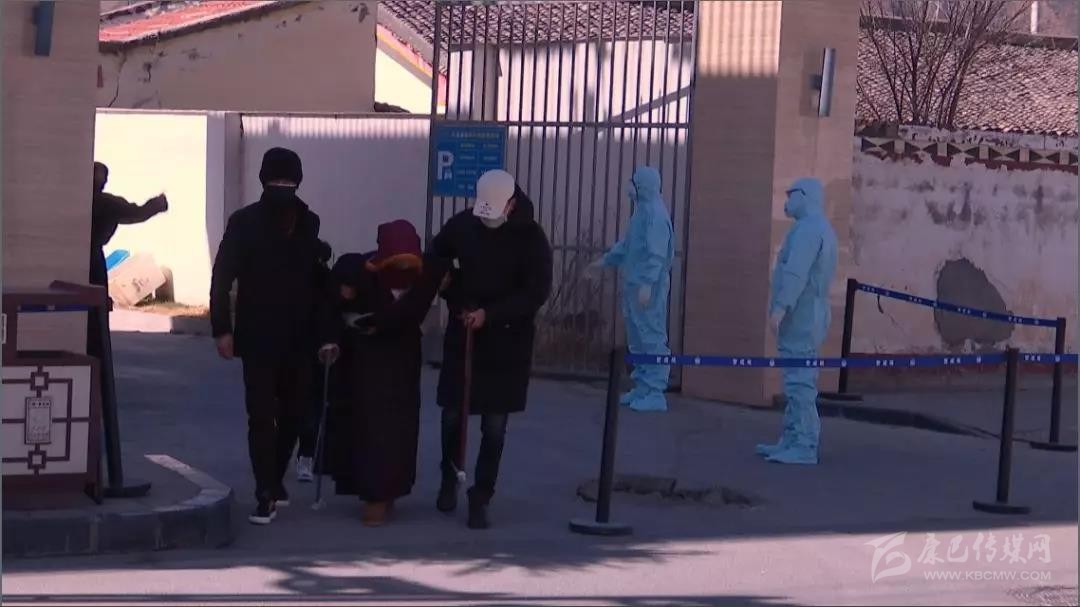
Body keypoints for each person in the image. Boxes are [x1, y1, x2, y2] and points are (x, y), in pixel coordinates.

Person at [209, 147, 339, 525]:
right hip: (258, 336)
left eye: (289, 181)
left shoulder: (308, 222)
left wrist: (327, 335)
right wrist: (222, 328)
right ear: (263, 181)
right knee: (262, 416)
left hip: (300, 337)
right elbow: (222, 276)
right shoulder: (243, 222)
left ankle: (274, 476)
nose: (282, 187)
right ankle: (264, 491)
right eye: (276, 181)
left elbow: (318, 284)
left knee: (296, 415)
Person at [429, 169, 553, 529]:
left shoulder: (531, 238)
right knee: (452, 416)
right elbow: (436, 255)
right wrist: (449, 288)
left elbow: (536, 292)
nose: (488, 221)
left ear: (511, 204)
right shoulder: (463, 225)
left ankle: (481, 495)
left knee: (494, 426)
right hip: (464, 333)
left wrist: (492, 314)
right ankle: (449, 477)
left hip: (506, 343)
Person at [326, 220, 446, 526]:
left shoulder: (425, 278)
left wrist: (380, 322)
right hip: (368, 362)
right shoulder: (360, 272)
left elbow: (413, 309)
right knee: (371, 427)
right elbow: (336, 292)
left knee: (400, 428)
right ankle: (374, 493)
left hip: (403, 361)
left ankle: (391, 488)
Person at [756, 177, 838, 465]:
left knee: (800, 382)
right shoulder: (817, 227)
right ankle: (792, 437)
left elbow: (796, 274)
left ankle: (804, 443)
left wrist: (780, 307)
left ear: (805, 196)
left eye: (791, 195)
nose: (787, 201)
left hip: (801, 314)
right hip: (809, 312)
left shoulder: (808, 230)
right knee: (795, 380)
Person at [591, 166, 674, 412]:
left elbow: (656, 254)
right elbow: (629, 245)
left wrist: (647, 283)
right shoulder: (642, 212)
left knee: (651, 336)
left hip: (648, 288)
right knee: (637, 336)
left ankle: (655, 391)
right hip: (635, 284)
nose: (630, 187)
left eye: (634, 183)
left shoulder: (656, 216)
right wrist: (606, 260)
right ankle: (643, 385)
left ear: (643, 186)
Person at [87, 162, 168, 358]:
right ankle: (96, 360)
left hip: (84, 259)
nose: (104, 182)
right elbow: (136, 214)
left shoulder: (79, 200)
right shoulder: (107, 203)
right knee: (95, 315)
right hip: (93, 261)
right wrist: (158, 204)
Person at [295, 239, 334, 483]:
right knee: (306, 407)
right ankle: (305, 455)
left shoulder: (326, 282)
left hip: (315, 350)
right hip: (300, 349)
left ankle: (307, 455)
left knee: (313, 408)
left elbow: (330, 315)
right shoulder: (294, 280)